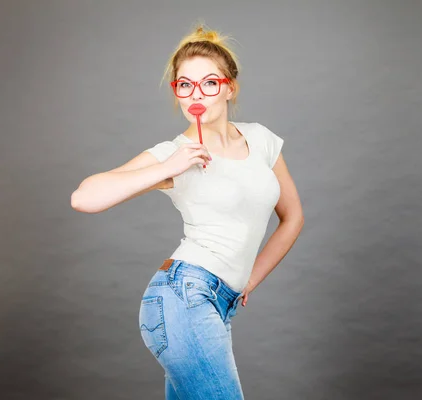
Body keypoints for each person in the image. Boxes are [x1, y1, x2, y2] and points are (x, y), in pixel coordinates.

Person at [71, 23, 304, 399]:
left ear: (230, 87)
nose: (196, 94)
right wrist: (168, 168)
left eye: (209, 83)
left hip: (219, 303)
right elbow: (84, 198)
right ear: (176, 92)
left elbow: (293, 217)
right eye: (184, 84)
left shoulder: (260, 139)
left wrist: (250, 279)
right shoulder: (172, 154)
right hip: (183, 297)